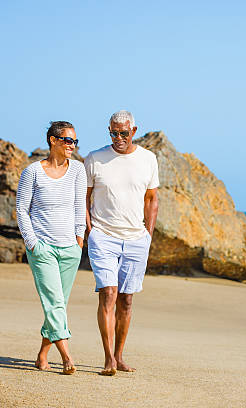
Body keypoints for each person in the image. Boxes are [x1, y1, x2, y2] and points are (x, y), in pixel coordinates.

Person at [85, 110, 159, 375]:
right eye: (113, 132)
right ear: (109, 130)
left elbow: (151, 199)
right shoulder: (94, 159)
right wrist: (89, 228)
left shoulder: (148, 159)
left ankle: (119, 356)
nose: (118, 138)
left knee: (126, 300)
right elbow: (84, 196)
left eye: (123, 133)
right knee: (108, 294)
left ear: (134, 131)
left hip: (136, 239)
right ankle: (108, 359)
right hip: (103, 236)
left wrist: (148, 234)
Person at [16, 121, 86, 375]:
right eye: (68, 140)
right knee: (55, 303)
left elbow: (80, 207)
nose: (72, 146)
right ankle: (67, 357)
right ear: (52, 141)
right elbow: (22, 209)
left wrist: (79, 240)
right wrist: (32, 243)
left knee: (57, 305)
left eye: (75, 141)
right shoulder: (32, 172)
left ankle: (42, 354)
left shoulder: (78, 170)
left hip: (69, 249)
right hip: (42, 248)